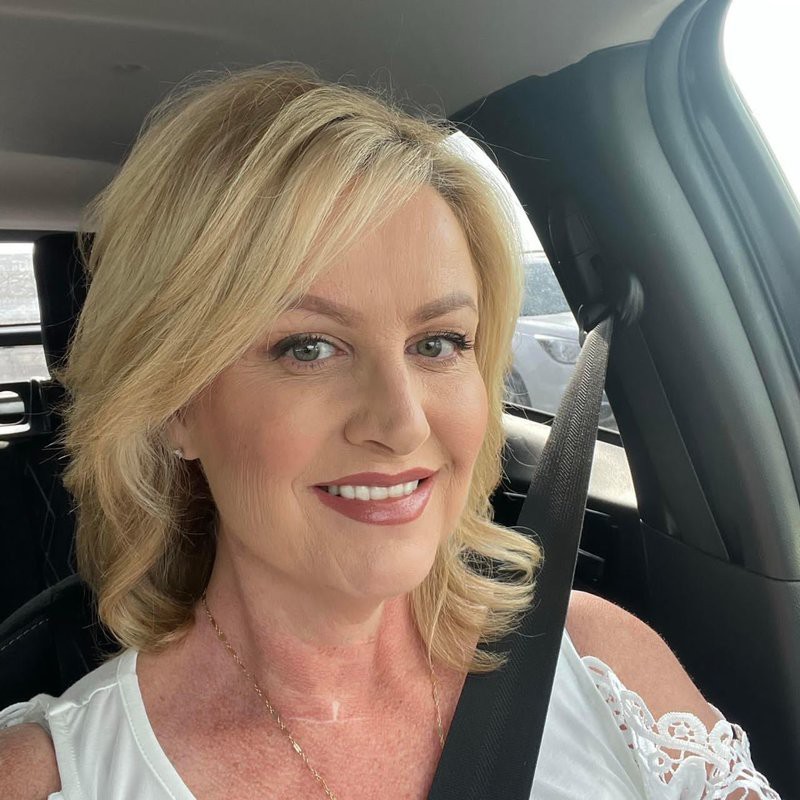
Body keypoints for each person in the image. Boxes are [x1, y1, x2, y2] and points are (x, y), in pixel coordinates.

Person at [0, 65, 780, 799]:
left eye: (438, 342)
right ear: (175, 405)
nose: (403, 424)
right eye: (309, 348)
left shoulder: (601, 664)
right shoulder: (44, 778)